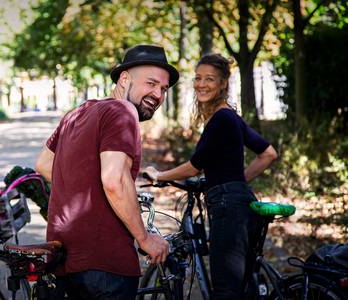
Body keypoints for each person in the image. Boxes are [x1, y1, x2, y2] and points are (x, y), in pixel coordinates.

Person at [35, 44, 178, 300]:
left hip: (63, 260)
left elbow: (44, 165)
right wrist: (144, 238)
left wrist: (85, 185)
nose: (157, 94)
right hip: (106, 265)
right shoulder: (123, 111)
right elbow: (114, 180)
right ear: (125, 79)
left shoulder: (77, 113)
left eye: (163, 89)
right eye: (151, 83)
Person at [145, 53, 278, 300]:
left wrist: (159, 176)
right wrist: (238, 181)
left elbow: (194, 166)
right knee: (242, 287)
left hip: (228, 206)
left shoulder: (221, 118)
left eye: (210, 79)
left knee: (226, 291)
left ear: (223, 83)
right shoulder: (231, 117)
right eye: (197, 78)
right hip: (243, 202)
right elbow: (268, 154)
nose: (202, 84)